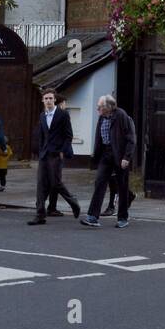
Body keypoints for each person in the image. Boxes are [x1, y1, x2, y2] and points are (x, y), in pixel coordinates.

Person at [80, 95, 136, 228]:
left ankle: (123, 218)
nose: (97, 108)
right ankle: (93, 216)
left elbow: (131, 138)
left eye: (100, 106)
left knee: (121, 186)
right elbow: (99, 138)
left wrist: (126, 157)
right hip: (106, 155)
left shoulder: (121, 116)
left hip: (120, 155)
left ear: (109, 107)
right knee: (99, 183)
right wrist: (95, 155)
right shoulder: (101, 117)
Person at [28, 90, 80, 224]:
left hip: (56, 154)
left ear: (54, 100)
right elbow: (42, 135)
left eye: (51, 98)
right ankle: (40, 215)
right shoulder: (42, 115)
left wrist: (63, 151)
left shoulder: (63, 114)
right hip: (44, 154)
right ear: (43, 101)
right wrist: (40, 151)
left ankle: (73, 202)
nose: (48, 100)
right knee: (41, 184)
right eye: (46, 98)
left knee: (55, 183)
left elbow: (69, 135)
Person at [47, 94, 75, 215]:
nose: (65, 105)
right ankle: (69, 203)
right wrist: (63, 150)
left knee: (53, 181)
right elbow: (68, 135)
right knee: (55, 181)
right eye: (64, 103)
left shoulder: (59, 115)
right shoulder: (58, 115)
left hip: (54, 152)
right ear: (60, 103)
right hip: (54, 153)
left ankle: (50, 207)